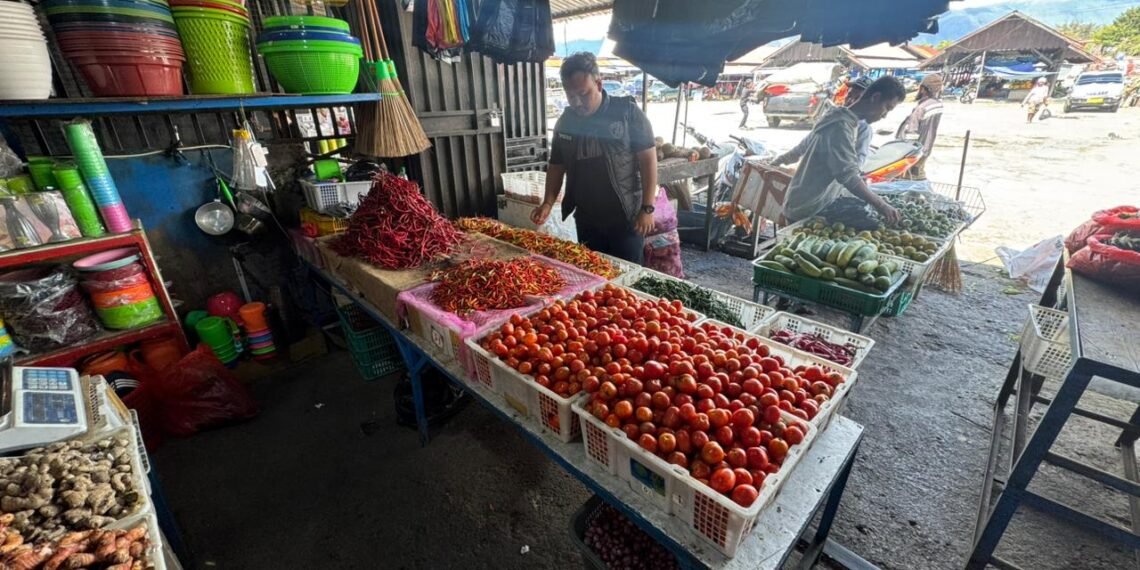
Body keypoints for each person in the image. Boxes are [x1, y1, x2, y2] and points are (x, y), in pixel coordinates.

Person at [531, 52, 658, 263]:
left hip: (626, 218)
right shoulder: (566, 121)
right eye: (571, 96)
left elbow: (648, 161)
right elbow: (556, 166)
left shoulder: (627, 113)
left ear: (599, 84)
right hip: (587, 218)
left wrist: (647, 208)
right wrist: (547, 202)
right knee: (594, 276)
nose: (578, 102)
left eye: (583, 94)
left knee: (625, 279)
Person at [779, 76, 907, 224]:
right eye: (887, 108)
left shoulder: (845, 121)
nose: (884, 115)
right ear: (875, 97)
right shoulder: (839, 126)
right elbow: (848, 176)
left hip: (812, 203)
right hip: (807, 208)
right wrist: (881, 205)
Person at [772, 76, 874, 168]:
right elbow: (805, 145)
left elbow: (857, 164)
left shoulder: (863, 128)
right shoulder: (832, 117)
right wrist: (780, 160)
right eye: (850, 95)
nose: (850, 101)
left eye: (857, 98)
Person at [896, 73, 943, 180]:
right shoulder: (938, 105)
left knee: (908, 178)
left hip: (913, 152)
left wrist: (904, 152)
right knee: (918, 174)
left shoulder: (921, 108)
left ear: (923, 89)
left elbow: (911, 134)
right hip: (926, 149)